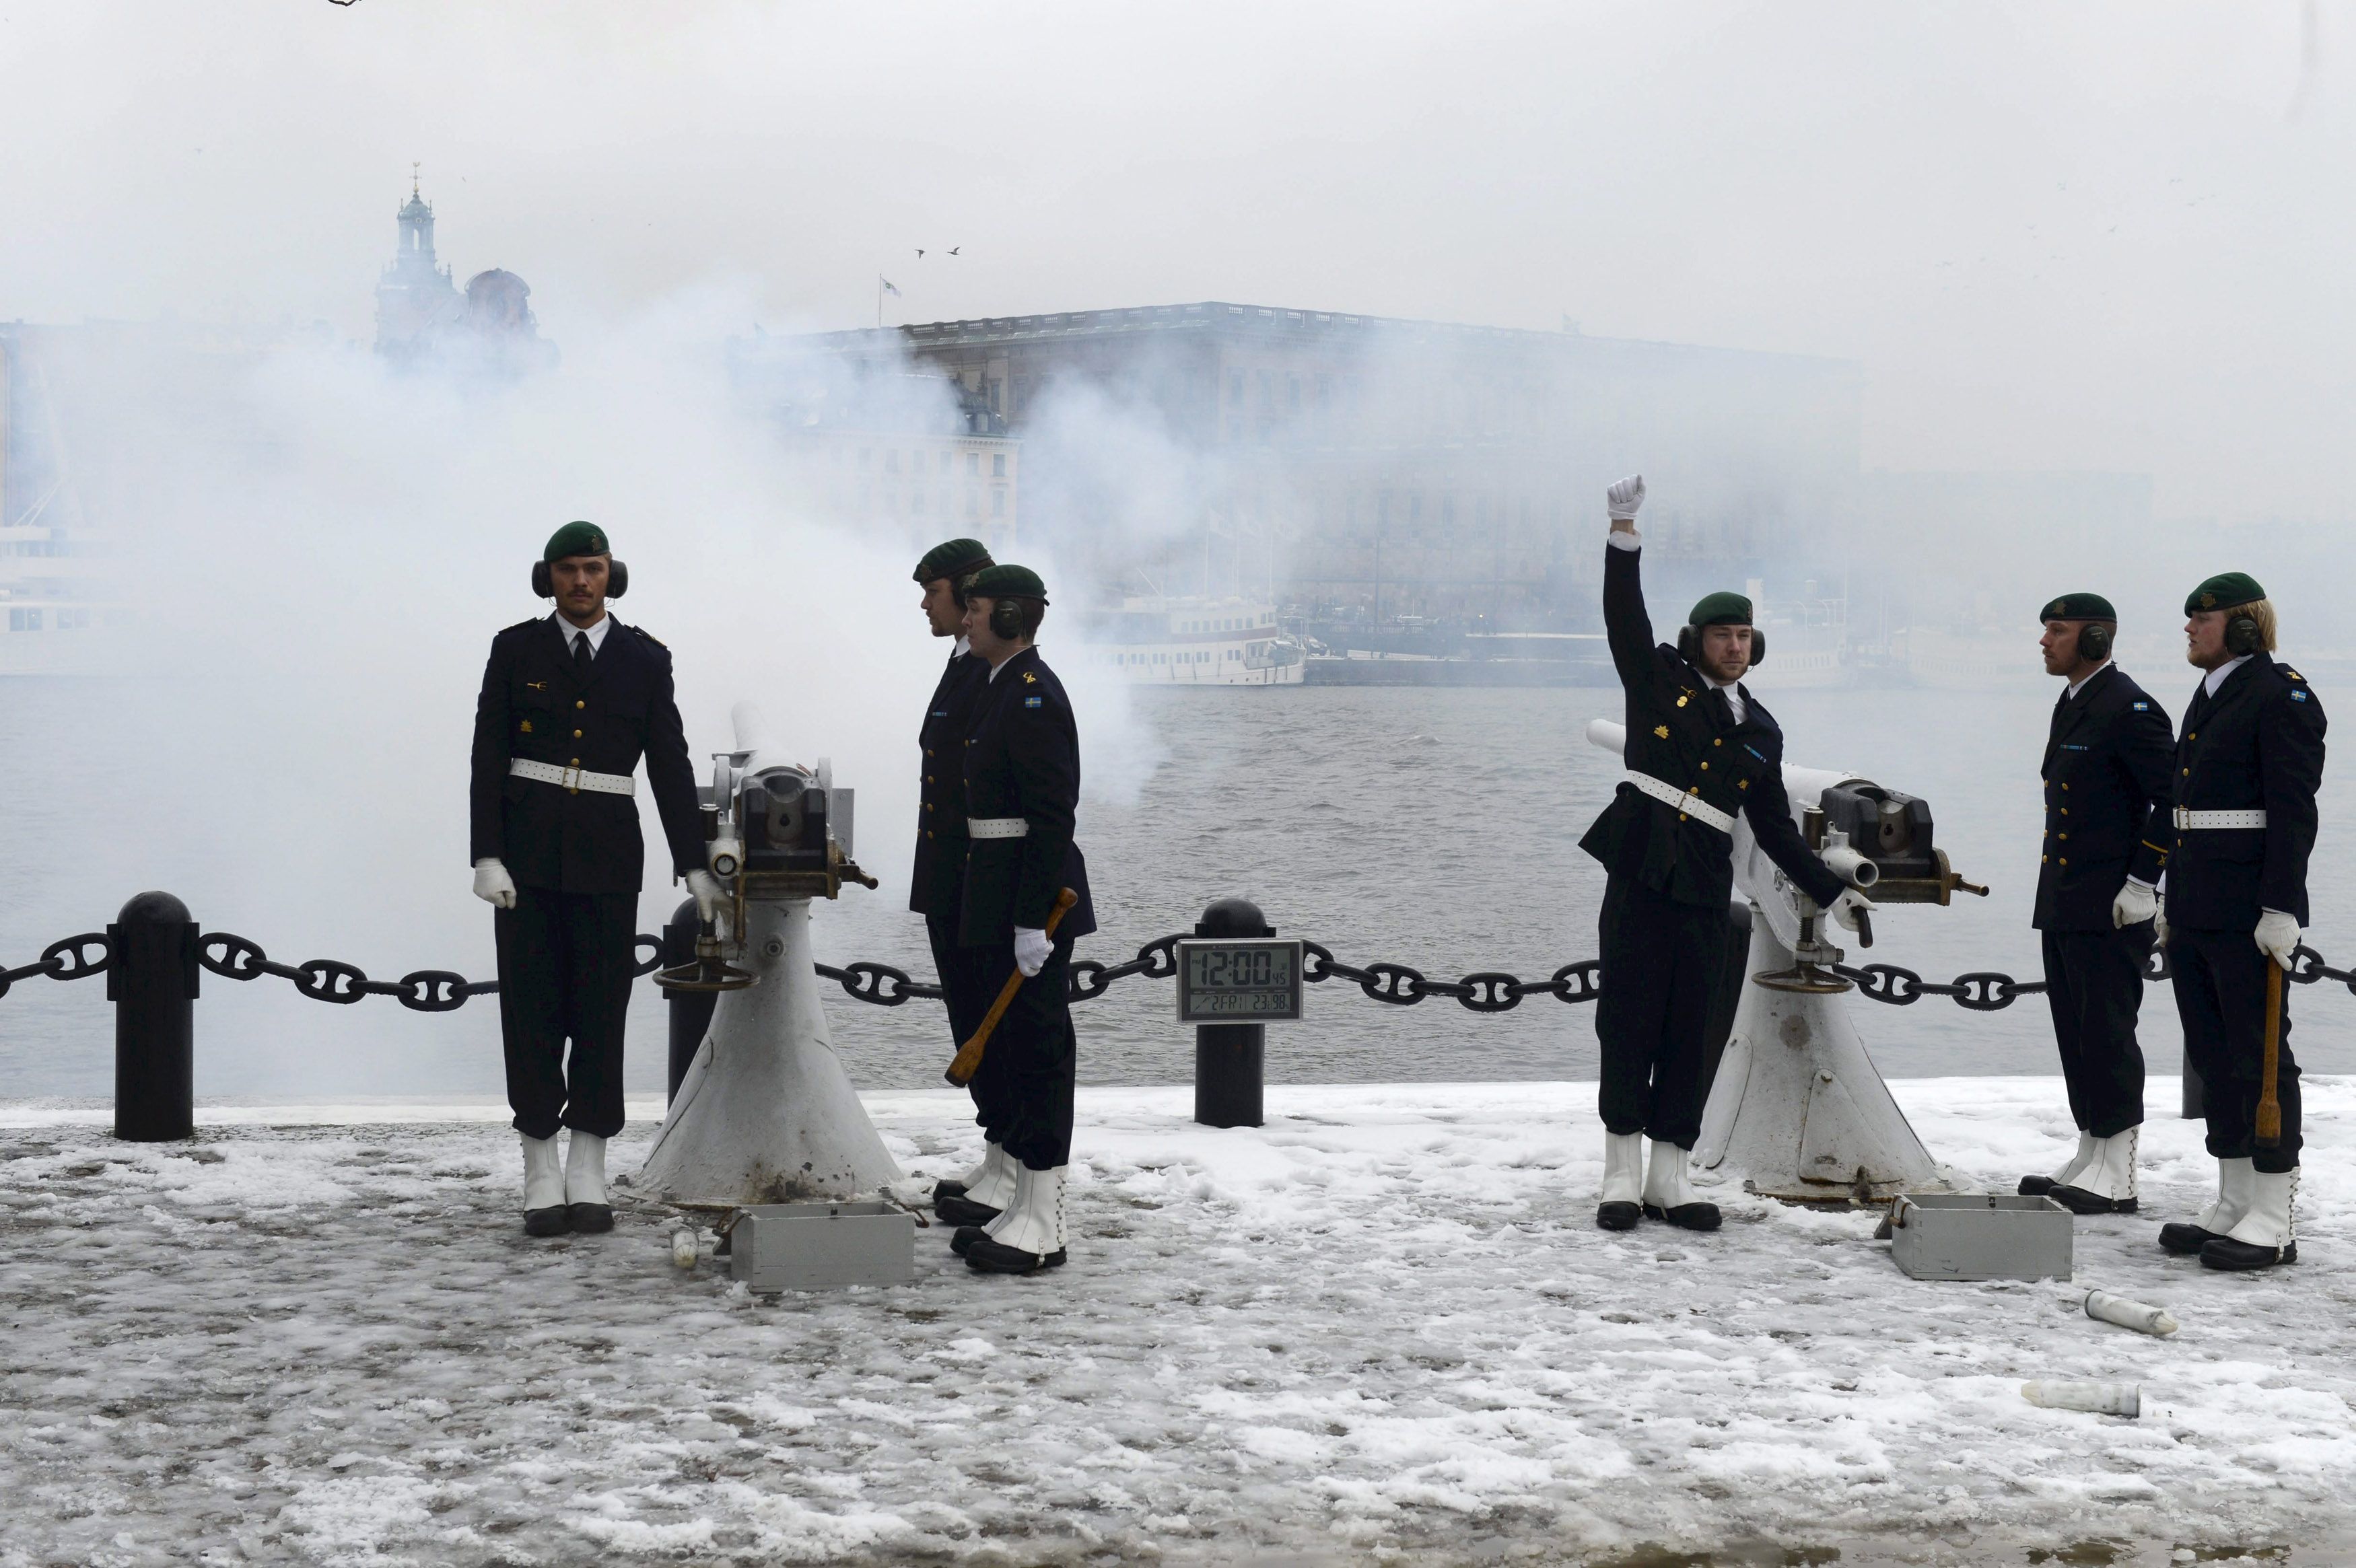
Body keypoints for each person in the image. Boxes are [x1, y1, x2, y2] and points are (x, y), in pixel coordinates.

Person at [1578, 475, 1873, 1232]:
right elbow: (1622, 620)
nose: (1734, 648)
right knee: (1628, 1017)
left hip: (1704, 877)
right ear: (1697, 643)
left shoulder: (1761, 730)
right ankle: (1619, 1172)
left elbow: (1772, 824)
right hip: (1644, 861)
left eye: (1743, 637)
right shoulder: (1658, 684)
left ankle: (1669, 1173)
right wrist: (1622, 532)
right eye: (1721, 637)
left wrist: (1831, 892)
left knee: (1688, 1022)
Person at [469, 522, 722, 1238]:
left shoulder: (645, 659)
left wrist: (695, 863)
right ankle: (539, 1165)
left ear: (614, 574)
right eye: (567, 570)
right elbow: (489, 756)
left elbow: (668, 767)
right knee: (531, 1010)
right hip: (525, 856)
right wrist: (485, 853)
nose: (581, 582)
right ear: (545, 576)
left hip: (608, 855)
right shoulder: (515, 649)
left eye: (593, 568)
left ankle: (588, 1162)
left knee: (599, 1010)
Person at [2156, 573, 2325, 1271]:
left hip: (2246, 905)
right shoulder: (2211, 693)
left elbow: (2292, 810)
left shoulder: (2278, 693)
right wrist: (2168, 895)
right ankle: (2232, 1198)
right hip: (2197, 898)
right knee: (2211, 1050)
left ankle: (2273, 1212)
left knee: (2259, 1054)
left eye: (2202, 617)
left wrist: (2281, 907)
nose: (2189, 628)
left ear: (2245, 625)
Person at [946, 563, 1097, 1273]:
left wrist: (1033, 920)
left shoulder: (1034, 695)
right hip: (995, 885)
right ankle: (1021, 1208)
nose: (965, 619)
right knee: (1010, 1049)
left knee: (1039, 1053)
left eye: (974, 608)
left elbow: (1049, 816)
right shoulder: (1000, 686)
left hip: (1031, 896)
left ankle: (1046, 1222)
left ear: (1009, 616)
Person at [2016, 594, 2175, 1214]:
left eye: (2058, 630)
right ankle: (2091, 1150)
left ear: (2095, 639)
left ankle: (2119, 1170)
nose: (2045, 640)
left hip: (2112, 903)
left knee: (2109, 1030)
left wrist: (2143, 883)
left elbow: (2170, 803)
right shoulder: (2076, 702)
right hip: (2066, 896)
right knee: (2075, 1028)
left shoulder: (2129, 707)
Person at [902, 538, 1018, 1229]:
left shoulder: (992, 673)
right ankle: (996, 1149)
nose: (924, 604)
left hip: (978, 876)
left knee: (992, 1022)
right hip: (950, 872)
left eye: (933, 592)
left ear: (970, 595)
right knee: (969, 1015)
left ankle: (1010, 1167)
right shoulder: (962, 666)